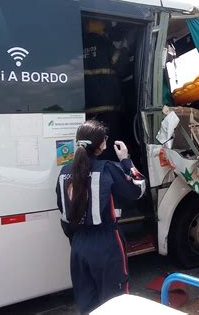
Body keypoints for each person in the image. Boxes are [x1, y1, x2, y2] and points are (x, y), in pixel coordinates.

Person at [55, 119, 146, 313]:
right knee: (116, 303)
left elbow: (63, 215)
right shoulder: (108, 168)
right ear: (102, 144)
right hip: (107, 244)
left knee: (87, 303)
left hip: (78, 246)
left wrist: (78, 239)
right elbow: (137, 190)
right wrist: (126, 160)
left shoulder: (64, 172)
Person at [83, 19, 122, 160]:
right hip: (108, 107)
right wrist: (124, 49)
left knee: (93, 144)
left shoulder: (78, 44)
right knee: (109, 145)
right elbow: (121, 64)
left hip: (87, 109)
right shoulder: (103, 43)